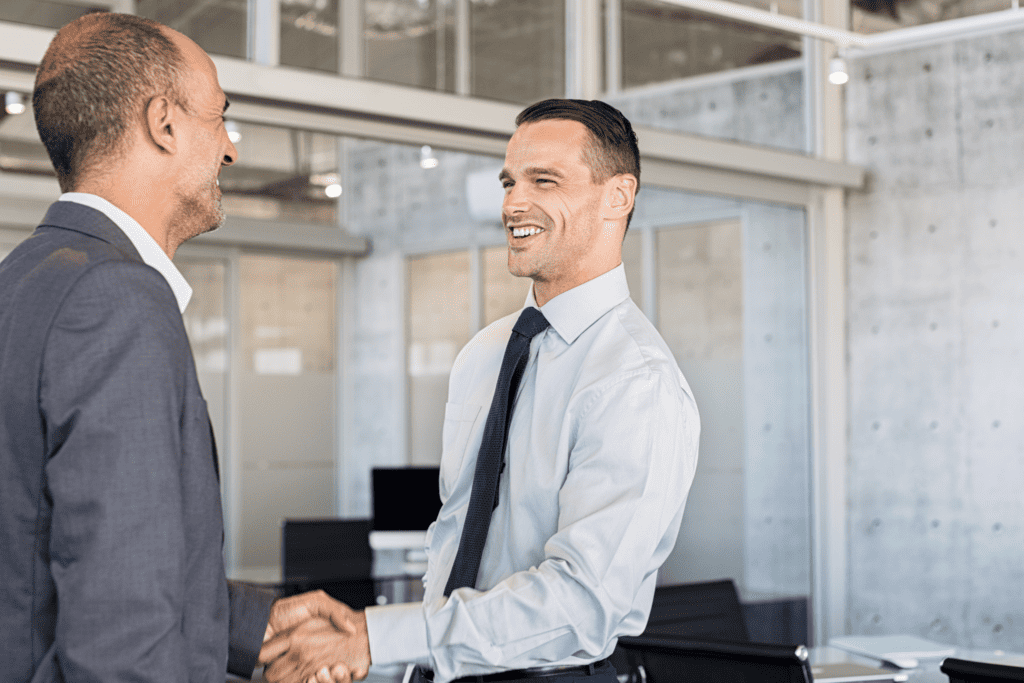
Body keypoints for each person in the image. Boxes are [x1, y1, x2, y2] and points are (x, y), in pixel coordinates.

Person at [260, 99, 700, 683]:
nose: (513, 204)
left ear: (618, 196)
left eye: (544, 181)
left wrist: (380, 637)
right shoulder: (485, 355)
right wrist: (385, 654)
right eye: (509, 182)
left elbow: (582, 604)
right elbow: (452, 538)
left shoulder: (636, 382)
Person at [0, 12, 279, 681]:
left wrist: (257, 625)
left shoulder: (21, 281)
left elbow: (43, 557)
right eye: (220, 118)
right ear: (164, 123)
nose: (230, 149)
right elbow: (120, 633)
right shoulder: (116, 298)